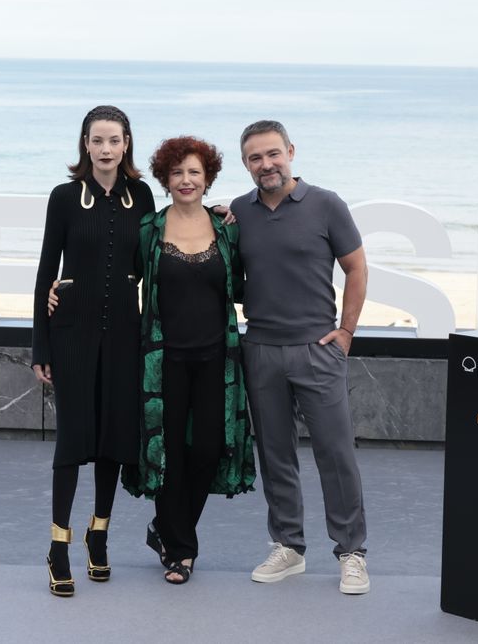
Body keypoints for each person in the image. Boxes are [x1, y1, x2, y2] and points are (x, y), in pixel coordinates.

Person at [231, 120, 371, 595]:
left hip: (317, 349)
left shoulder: (327, 204)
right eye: (255, 158)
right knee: (275, 455)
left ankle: (351, 552)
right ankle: (288, 546)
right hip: (261, 350)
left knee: (336, 454)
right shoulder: (237, 212)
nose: (266, 164)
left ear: (290, 151)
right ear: (245, 163)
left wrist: (347, 331)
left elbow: (356, 267)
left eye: (273, 154)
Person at [31, 105, 155, 597]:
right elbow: (45, 272)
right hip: (72, 335)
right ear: (85, 143)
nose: (106, 149)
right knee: (72, 441)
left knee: (114, 441)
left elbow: (155, 257)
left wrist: (212, 215)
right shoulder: (63, 198)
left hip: (126, 335)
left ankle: (97, 533)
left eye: (115, 140)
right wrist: (40, 342)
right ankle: (58, 544)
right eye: (97, 140)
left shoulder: (141, 196)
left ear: (127, 144)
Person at [121, 136, 255, 584]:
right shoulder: (148, 230)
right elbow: (120, 281)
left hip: (218, 358)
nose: (186, 180)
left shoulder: (227, 228)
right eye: (177, 172)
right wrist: (59, 292)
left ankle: (166, 529)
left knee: (210, 448)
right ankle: (182, 550)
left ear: (207, 178)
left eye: (194, 172)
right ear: (165, 179)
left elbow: (242, 286)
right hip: (163, 362)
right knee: (169, 452)